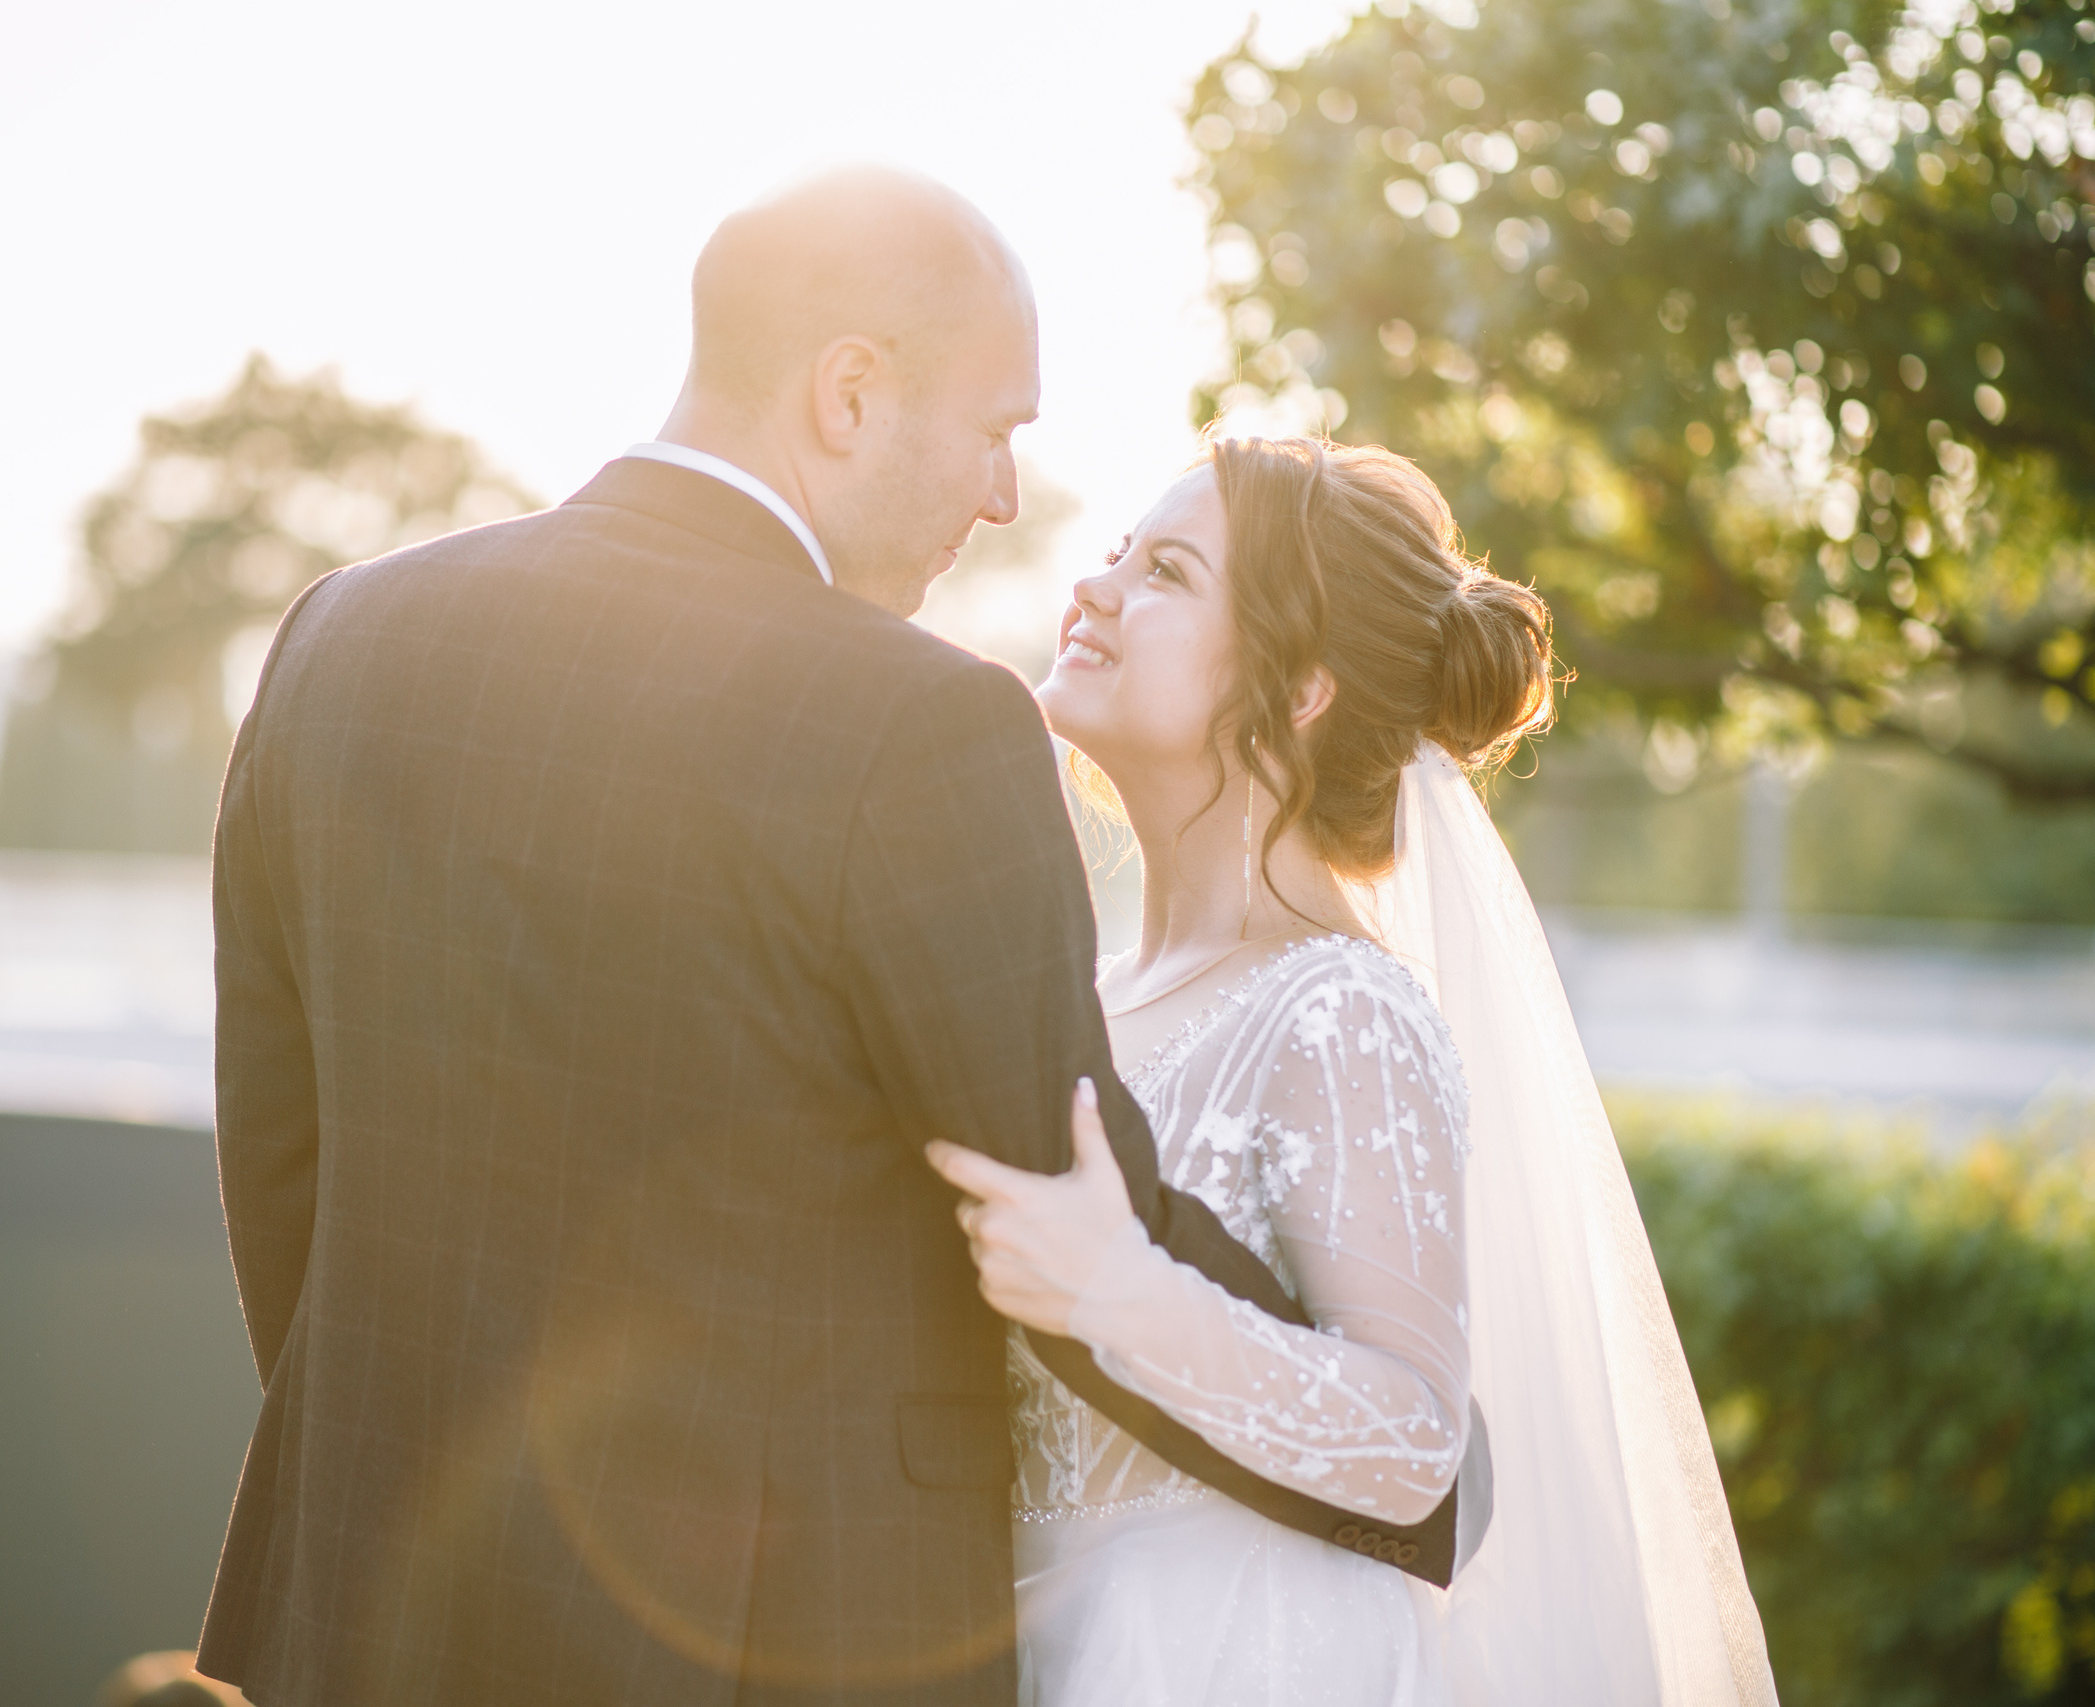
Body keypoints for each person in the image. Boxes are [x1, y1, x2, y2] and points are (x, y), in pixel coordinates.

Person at [194, 171, 1392, 1707]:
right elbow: (1066, 1189)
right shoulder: (924, 724)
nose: (1004, 495)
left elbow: (281, 1166)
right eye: (996, 428)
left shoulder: (337, 638)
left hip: (360, 1614)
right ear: (850, 393)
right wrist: (1395, 1447)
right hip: (762, 1650)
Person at [927, 438, 1779, 1705]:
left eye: (1165, 572)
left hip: (1242, 1659)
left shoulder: (1338, 1010)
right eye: (1114, 555)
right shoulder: (1084, 999)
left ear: (1301, 689)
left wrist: (1118, 1290)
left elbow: (1415, 1441)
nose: (1092, 590)